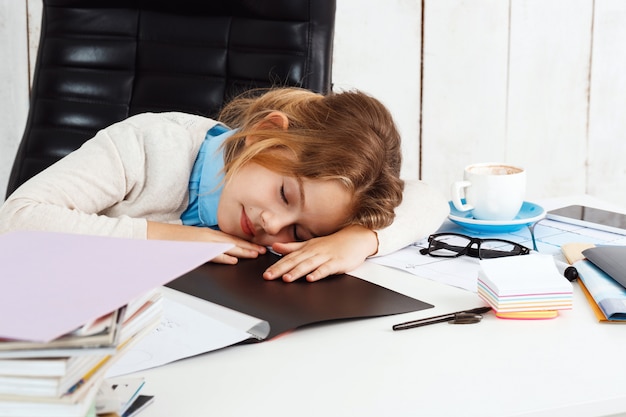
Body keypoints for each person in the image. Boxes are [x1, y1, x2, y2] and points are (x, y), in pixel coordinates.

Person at [0, 88, 448, 282]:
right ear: (265, 134)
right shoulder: (148, 143)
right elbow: (16, 219)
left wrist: (358, 240)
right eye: (286, 195)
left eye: (299, 234)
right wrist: (181, 239)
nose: (272, 225)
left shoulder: (318, 208)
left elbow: (429, 198)